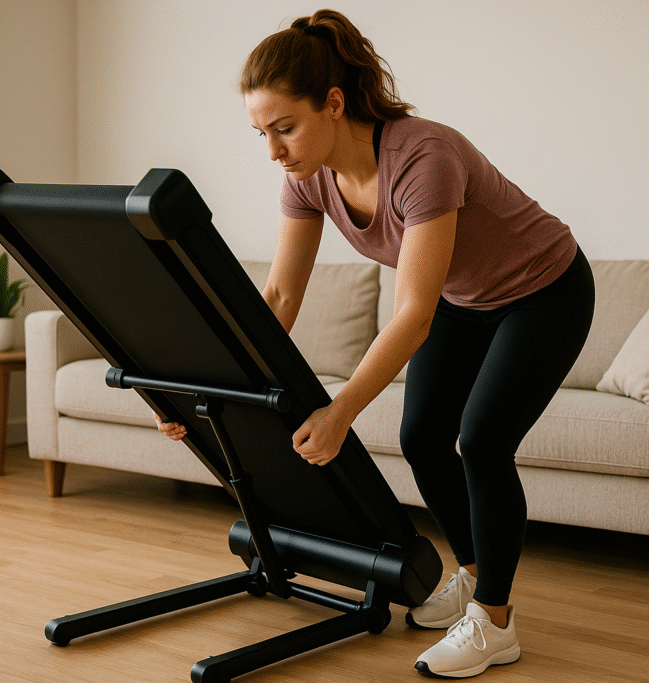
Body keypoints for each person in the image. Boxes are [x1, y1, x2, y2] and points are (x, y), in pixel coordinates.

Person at [156, 9, 595, 679]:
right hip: (464, 300)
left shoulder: (423, 157)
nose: (273, 151)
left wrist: (341, 411)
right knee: (422, 436)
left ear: (333, 103)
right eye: (261, 133)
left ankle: (496, 621)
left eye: (284, 128)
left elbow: (413, 315)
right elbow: (279, 298)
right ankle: (473, 578)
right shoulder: (307, 178)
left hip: (545, 291)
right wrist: (207, 389)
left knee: (482, 440)